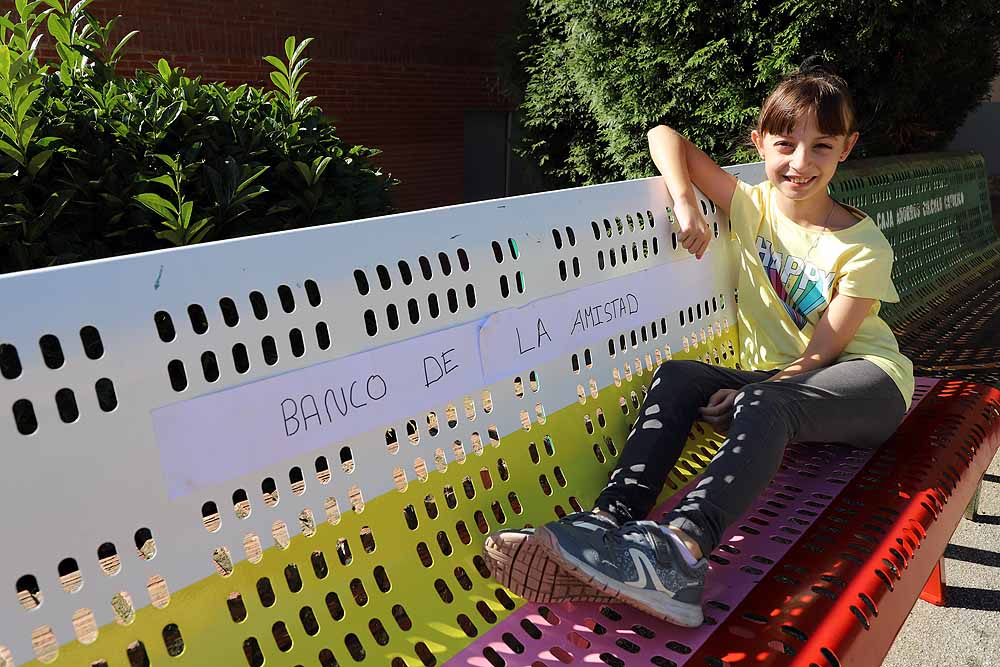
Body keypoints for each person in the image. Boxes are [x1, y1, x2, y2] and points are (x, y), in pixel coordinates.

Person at [484, 59, 914, 628]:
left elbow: (820, 356)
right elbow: (665, 137)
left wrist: (748, 397)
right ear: (759, 142)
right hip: (782, 390)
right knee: (681, 376)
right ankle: (607, 525)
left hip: (867, 384)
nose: (800, 163)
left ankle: (681, 553)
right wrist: (687, 204)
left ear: (846, 148)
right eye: (785, 143)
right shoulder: (751, 205)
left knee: (763, 401)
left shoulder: (860, 246)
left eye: (822, 147)